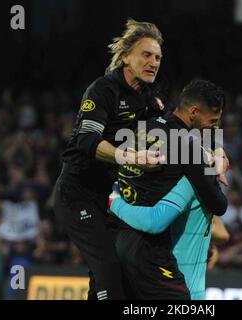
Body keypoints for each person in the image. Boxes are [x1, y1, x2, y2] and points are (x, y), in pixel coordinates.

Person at [53, 18, 167, 300]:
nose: (153, 62)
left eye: (158, 57)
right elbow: (87, 141)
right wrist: (130, 157)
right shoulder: (103, 90)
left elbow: (173, 133)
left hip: (107, 199)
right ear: (126, 57)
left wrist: (209, 149)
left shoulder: (149, 98)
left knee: (117, 272)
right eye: (146, 54)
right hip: (76, 194)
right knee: (108, 267)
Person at [108, 79, 229, 299]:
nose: (215, 128)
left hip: (116, 238)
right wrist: (114, 201)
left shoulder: (146, 125)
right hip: (147, 248)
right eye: (213, 121)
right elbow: (219, 205)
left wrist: (216, 150)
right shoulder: (188, 147)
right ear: (193, 112)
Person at [109, 176, 230, 299]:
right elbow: (222, 234)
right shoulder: (203, 182)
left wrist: (114, 202)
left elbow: (153, 222)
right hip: (188, 291)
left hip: (175, 291)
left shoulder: (187, 183)